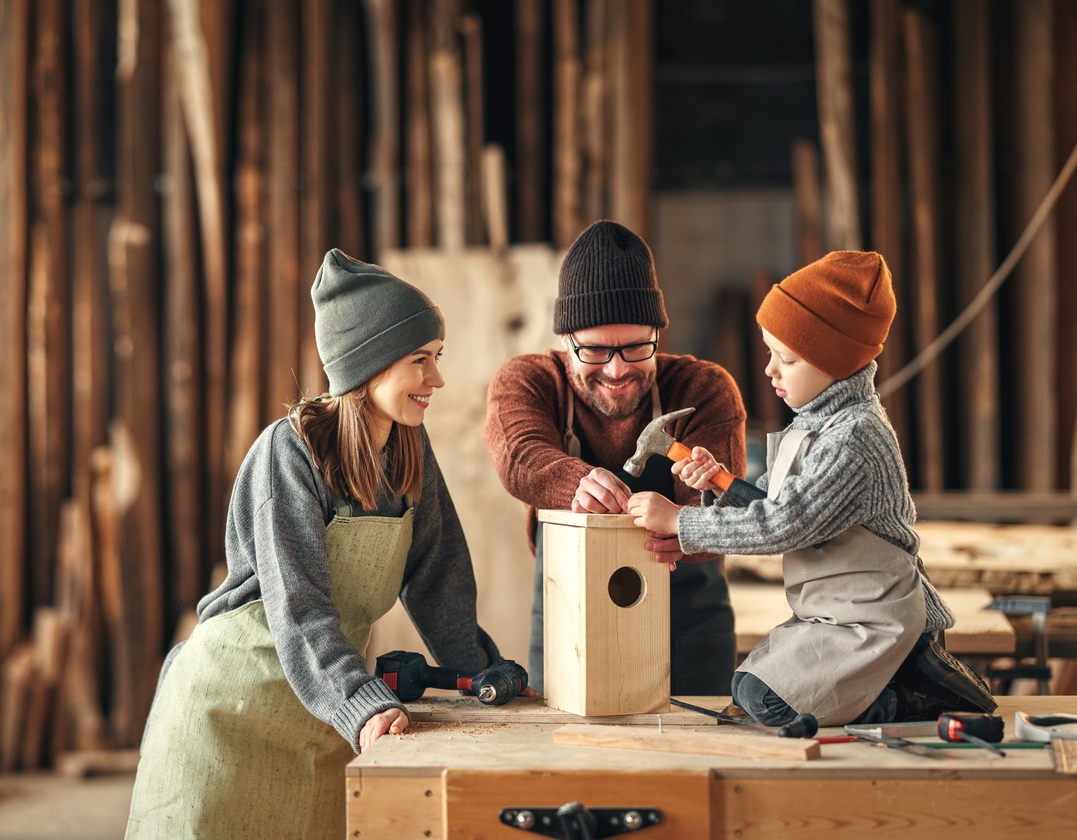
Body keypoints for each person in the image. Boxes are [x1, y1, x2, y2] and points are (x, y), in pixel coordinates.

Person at [125, 249, 526, 839]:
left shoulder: (411, 450)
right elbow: (298, 606)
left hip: (326, 710)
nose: (437, 379)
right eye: (421, 361)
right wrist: (359, 702)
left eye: (437, 358)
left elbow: (440, 577)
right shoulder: (288, 453)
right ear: (371, 365)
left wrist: (486, 679)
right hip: (232, 707)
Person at [627, 250, 996, 726]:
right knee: (743, 685)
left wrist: (683, 521)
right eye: (769, 354)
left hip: (877, 619)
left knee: (769, 702)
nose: (769, 371)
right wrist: (719, 483)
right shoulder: (813, 427)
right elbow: (774, 505)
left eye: (787, 358)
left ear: (835, 360)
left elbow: (784, 525)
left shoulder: (854, 438)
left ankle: (921, 690)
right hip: (835, 611)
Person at [484, 220, 746, 695]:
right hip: (570, 615)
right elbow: (520, 456)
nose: (618, 368)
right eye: (597, 350)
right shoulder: (529, 382)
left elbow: (725, 515)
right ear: (566, 340)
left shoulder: (704, 389)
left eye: (635, 346)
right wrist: (575, 483)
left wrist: (690, 527)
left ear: (657, 334)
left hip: (690, 622)